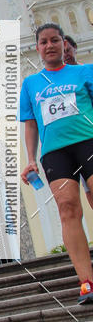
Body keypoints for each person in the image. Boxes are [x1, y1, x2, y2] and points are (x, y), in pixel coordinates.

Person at [19, 24, 93, 304]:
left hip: (88, 141)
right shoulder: (31, 84)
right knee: (68, 209)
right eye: (43, 42)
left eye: (55, 40)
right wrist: (30, 160)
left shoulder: (84, 72)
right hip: (55, 153)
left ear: (64, 44)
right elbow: (30, 124)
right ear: (37, 47)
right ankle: (86, 281)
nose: (49, 45)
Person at [62, 34, 93, 211]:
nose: (66, 54)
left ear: (75, 49)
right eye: (63, 52)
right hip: (79, 139)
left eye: (68, 50)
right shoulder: (60, 81)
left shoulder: (88, 71)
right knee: (88, 187)